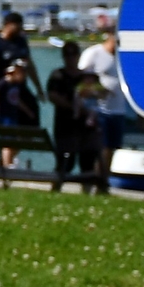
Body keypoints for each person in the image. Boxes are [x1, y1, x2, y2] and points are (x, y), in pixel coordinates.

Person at [79, 27, 125, 186]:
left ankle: (103, 179)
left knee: (112, 147)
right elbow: (81, 80)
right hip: (99, 109)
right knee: (101, 146)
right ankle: (96, 179)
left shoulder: (123, 56)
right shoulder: (94, 53)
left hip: (118, 108)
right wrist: (99, 90)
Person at [44, 40, 89, 189]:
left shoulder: (86, 77)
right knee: (65, 162)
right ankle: (56, 187)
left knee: (86, 160)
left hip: (83, 126)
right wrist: (72, 106)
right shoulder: (57, 75)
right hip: (64, 125)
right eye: (67, 55)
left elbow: (99, 94)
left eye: (73, 55)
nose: (70, 58)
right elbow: (52, 95)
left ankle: (87, 191)